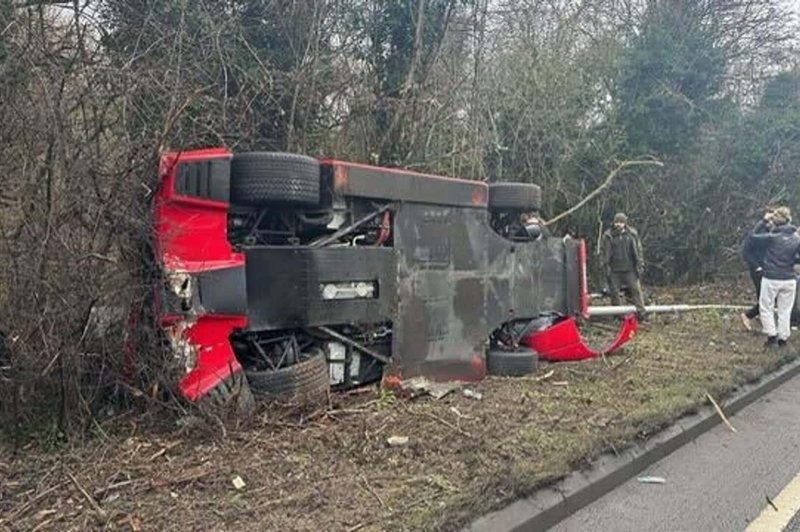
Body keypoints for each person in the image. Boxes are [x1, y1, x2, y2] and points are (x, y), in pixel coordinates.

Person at [748, 206, 800, 347]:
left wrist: (762, 221)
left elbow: (752, 238)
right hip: (789, 278)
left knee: (766, 307)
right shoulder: (796, 239)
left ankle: (772, 337)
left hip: (771, 277)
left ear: (775, 222)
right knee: (785, 310)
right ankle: (783, 338)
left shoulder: (772, 237)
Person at [601, 212, 647, 321]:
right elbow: (604, 252)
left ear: (625, 223)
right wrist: (605, 265)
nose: (618, 224)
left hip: (630, 269)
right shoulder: (608, 236)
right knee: (614, 293)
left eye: (621, 222)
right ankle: (619, 315)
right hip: (614, 270)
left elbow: (638, 250)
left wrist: (640, 264)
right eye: (617, 222)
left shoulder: (632, 234)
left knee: (636, 291)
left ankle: (641, 313)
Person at [739, 208, 774, 330]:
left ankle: (759, 315)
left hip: (767, 267)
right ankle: (748, 315)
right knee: (765, 297)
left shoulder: (771, 232)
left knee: (764, 297)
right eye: (769, 220)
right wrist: (756, 266)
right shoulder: (757, 233)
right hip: (758, 268)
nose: (772, 223)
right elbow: (745, 252)